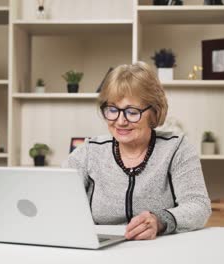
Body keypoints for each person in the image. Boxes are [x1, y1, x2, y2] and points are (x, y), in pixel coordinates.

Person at [62, 61, 211, 240]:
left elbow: (198, 205)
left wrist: (161, 220)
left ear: (154, 112)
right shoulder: (89, 152)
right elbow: (59, 202)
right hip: (100, 251)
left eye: (132, 112)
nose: (120, 121)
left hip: (160, 248)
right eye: (112, 110)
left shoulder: (176, 148)